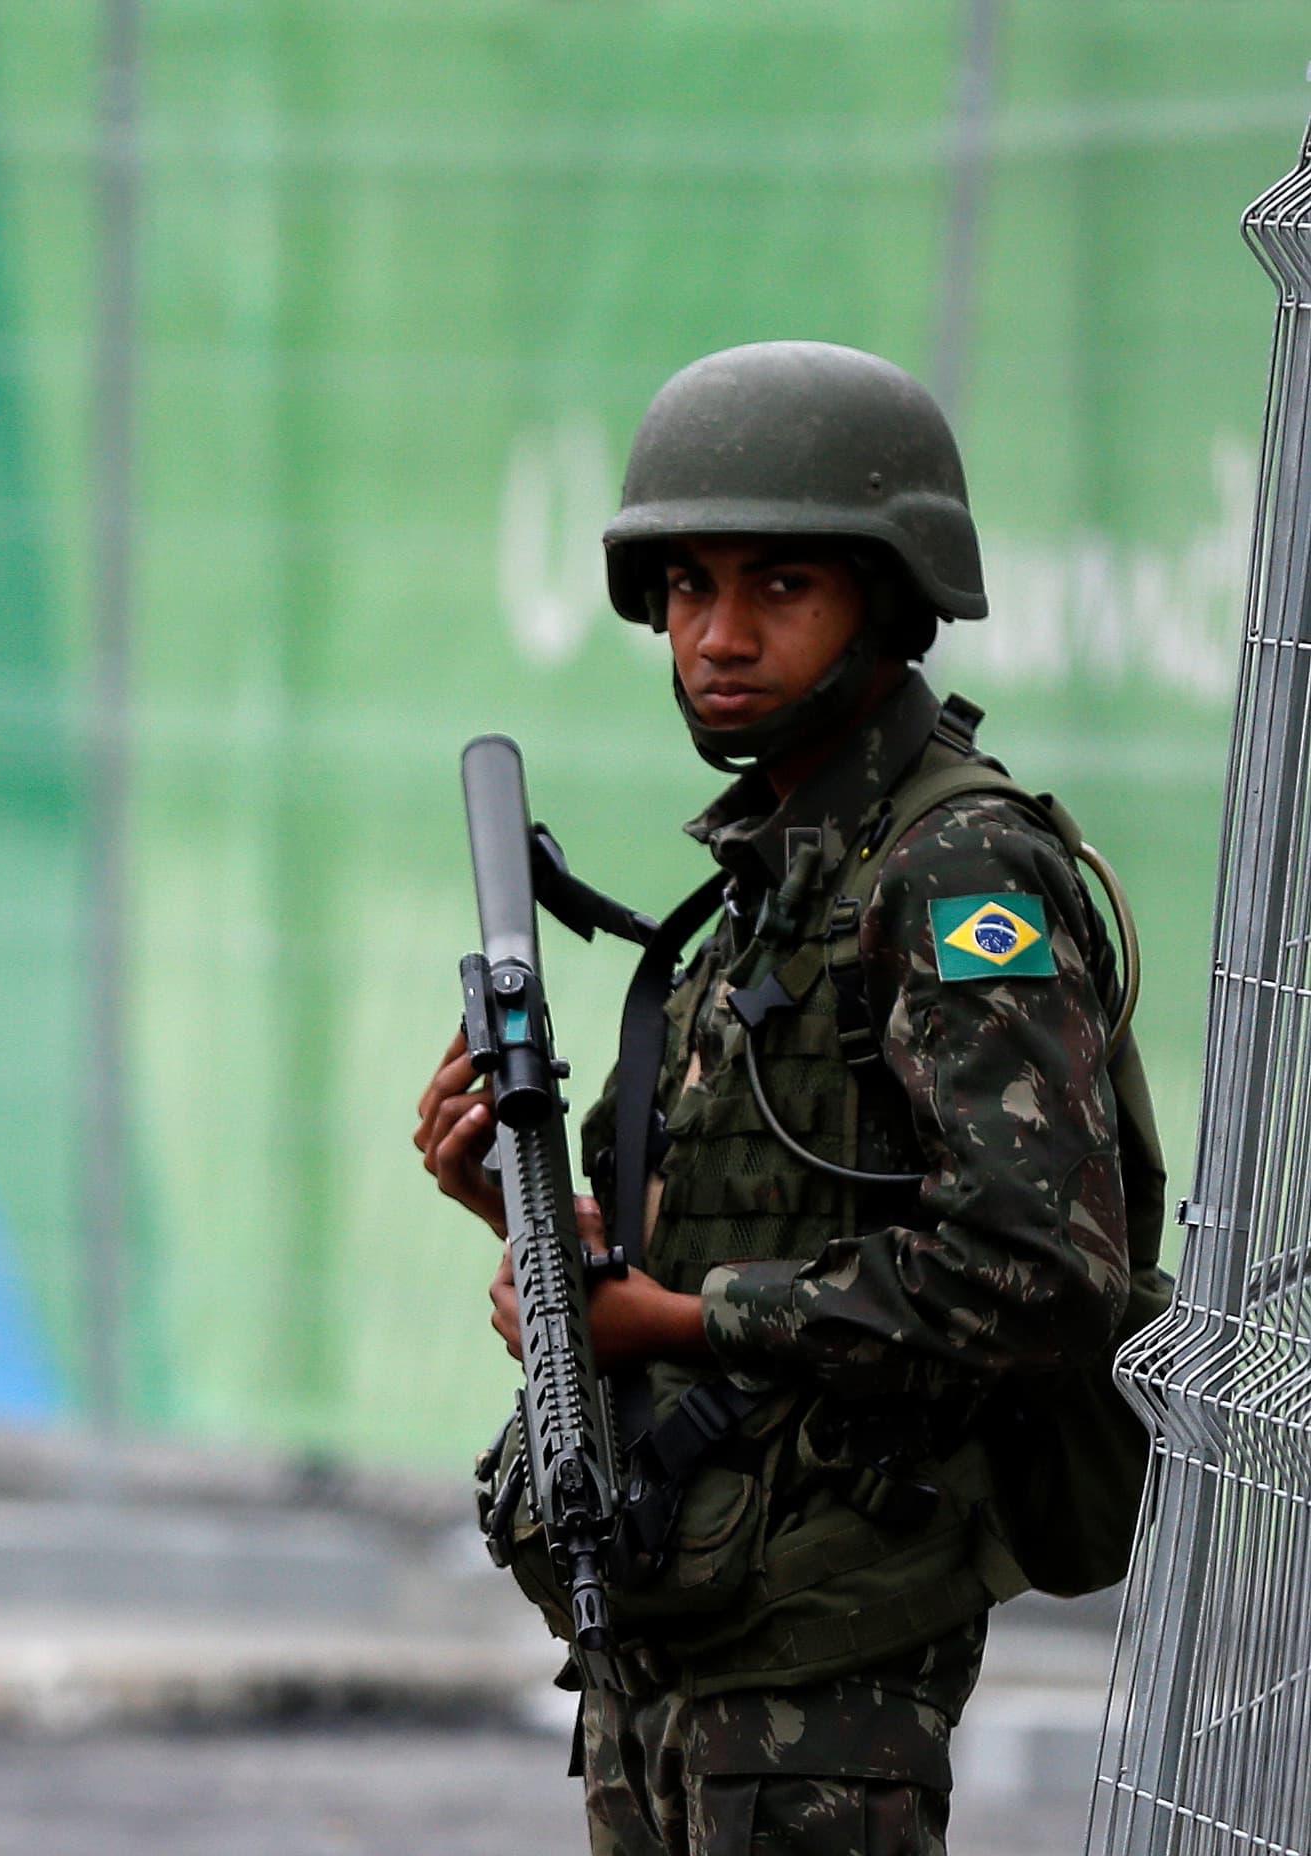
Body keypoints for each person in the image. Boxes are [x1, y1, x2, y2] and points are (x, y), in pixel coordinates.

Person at [412, 341, 1165, 1855]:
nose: (720, 634)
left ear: (889, 605)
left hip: (832, 1673)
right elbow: (765, 1199)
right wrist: (529, 1219)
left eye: (780, 587)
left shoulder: (952, 871)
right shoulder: (779, 874)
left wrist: (684, 1325)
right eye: (690, 587)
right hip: (678, 1639)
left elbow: (1041, 1268)